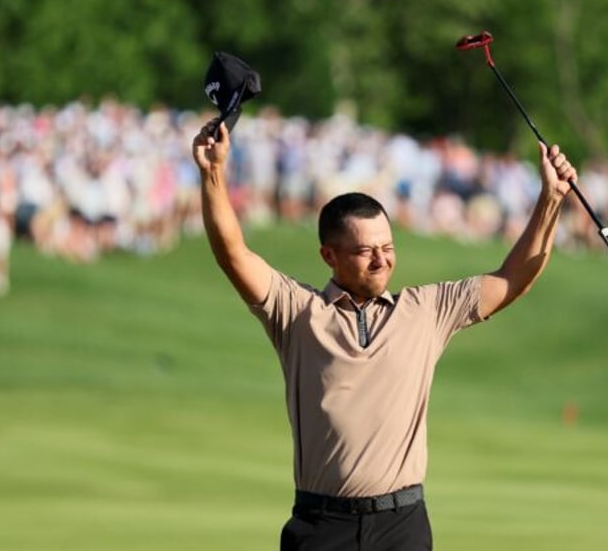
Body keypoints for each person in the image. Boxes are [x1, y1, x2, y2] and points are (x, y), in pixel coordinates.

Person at [192, 118, 578, 551]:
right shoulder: (297, 312)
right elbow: (233, 254)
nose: (381, 261)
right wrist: (213, 172)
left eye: (388, 247)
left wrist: (550, 199)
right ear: (329, 256)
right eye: (364, 251)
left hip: (402, 527)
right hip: (322, 527)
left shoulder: (427, 310)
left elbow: (512, 277)